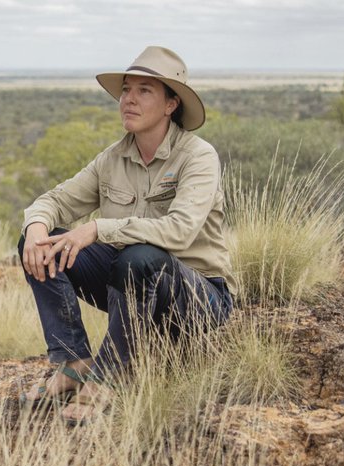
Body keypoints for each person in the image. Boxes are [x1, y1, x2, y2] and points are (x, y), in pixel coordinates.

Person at [18, 46, 236, 423]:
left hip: (199, 299)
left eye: (144, 91)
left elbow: (180, 231)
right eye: (125, 90)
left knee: (140, 256)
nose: (129, 100)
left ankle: (110, 376)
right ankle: (74, 360)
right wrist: (36, 228)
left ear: (171, 104)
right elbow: (53, 201)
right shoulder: (112, 158)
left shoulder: (198, 156)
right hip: (129, 290)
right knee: (39, 243)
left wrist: (98, 228)